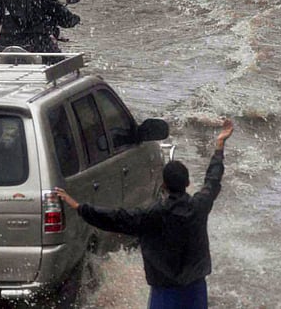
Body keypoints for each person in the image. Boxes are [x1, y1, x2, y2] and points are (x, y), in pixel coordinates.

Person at [55, 119, 234, 309]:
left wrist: (78, 207)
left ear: (164, 185)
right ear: (188, 183)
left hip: (164, 293)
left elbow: (115, 218)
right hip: (196, 289)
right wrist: (219, 145)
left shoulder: (151, 215)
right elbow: (212, 181)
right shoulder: (199, 206)